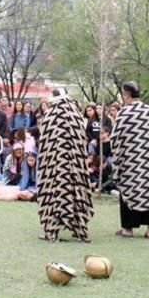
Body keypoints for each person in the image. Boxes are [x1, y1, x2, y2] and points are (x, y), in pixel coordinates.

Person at [36, 88, 94, 243]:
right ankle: (81, 231)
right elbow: (82, 141)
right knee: (76, 194)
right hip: (75, 167)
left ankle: (51, 231)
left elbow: (44, 145)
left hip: (55, 168)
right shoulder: (76, 116)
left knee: (54, 194)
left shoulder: (50, 116)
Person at [111, 81, 149, 239]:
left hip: (131, 162)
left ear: (126, 94)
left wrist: (117, 157)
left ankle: (128, 228)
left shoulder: (124, 113)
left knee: (130, 191)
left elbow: (116, 139)